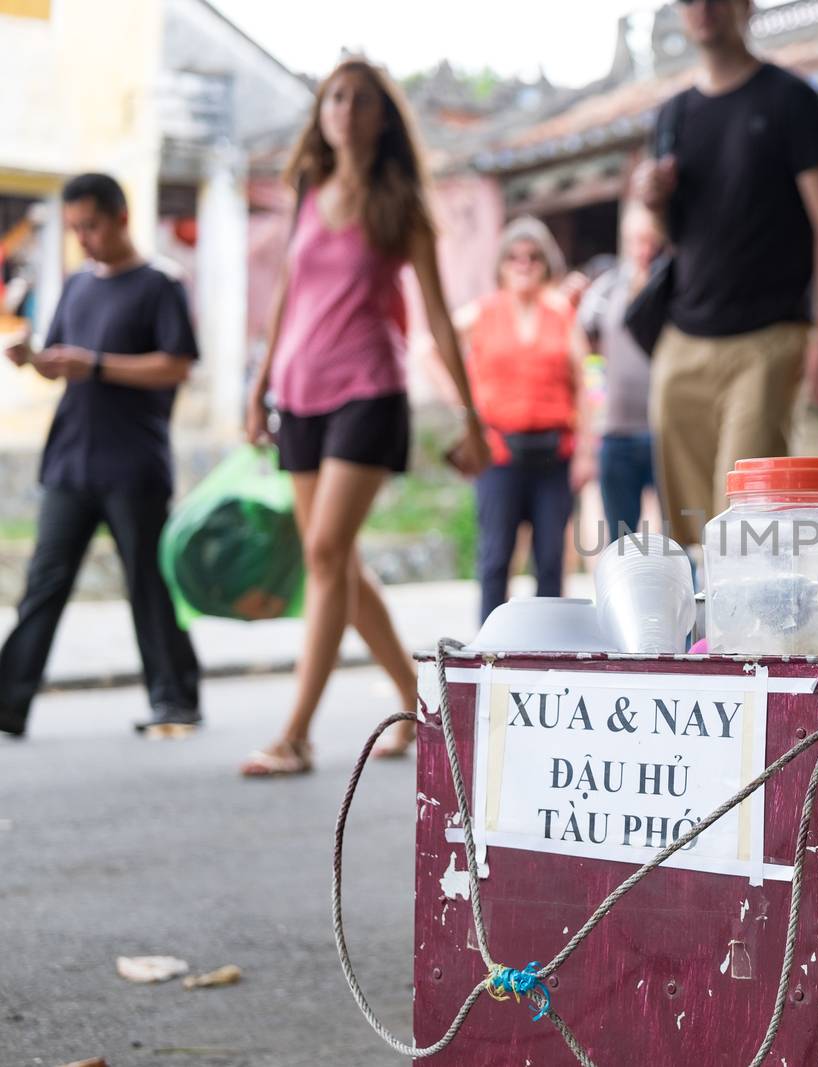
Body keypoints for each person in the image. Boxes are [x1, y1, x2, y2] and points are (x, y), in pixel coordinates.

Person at [240, 58, 489, 775]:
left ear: (383, 118)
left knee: (322, 554)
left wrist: (471, 416)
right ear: (323, 112)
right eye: (334, 97)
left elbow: (440, 318)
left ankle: (296, 735)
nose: (344, 109)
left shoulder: (400, 206)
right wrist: (259, 385)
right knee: (337, 559)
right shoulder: (310, 192)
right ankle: (420, 702)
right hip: (300, 392)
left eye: (360, 99)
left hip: (368, 393)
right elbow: (288, 293)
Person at [631, 0, 818, 548]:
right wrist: (651, 200)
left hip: (770, 335)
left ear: (745, 6)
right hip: (683, 338)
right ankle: (701, 633)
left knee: (748, 513)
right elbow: (671, 235)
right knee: (686, 524)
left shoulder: (790, 99)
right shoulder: (673, 114)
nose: (703, 9)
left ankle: (751, 634)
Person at [0, 173, 203, 739]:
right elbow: (66, 358)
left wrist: (95, 363)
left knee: (147, 581)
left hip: (134, 463)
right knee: (45, 580)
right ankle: (8, 702)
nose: (83, 238)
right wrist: (35, 360)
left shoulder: (161, 283)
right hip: (70, 459)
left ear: (120, 218)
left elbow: (177, 365)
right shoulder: (76, 285)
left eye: (90, 226)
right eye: (74, 229)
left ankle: (176, 698)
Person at [453, 217, 582, 620]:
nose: (523, 264)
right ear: (501, 265)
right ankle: (488, 650)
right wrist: (465, 404)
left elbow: (585, 379)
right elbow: (429, 348)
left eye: (532, 257)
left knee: (550, 559)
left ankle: (549, 649)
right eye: (513, 257)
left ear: (546, 263)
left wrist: (587, 451)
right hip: (499, 452)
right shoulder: (483, 313)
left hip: (554, 453)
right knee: (495, 556)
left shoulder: (561, 313)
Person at [579, 203, 664, 543]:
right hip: (616, 434)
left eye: (651, 241)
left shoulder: (675, 289)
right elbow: (586, 353)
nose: (644, 250)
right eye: (637, 241)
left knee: (677, 534)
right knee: (620, 540)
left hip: (664, 431)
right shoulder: (605, 290)